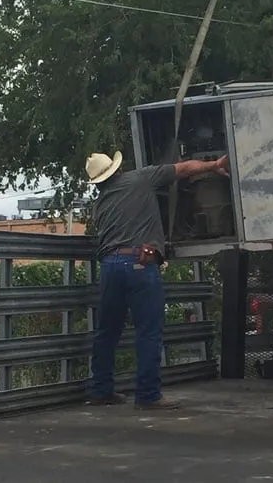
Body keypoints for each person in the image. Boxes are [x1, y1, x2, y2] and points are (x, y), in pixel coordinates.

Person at [85, 149, 229, 410]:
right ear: (117, 169)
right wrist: (213, 165)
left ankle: (101, 390)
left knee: (107, 332)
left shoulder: (100, 204)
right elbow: (183, 169)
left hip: (109, 266)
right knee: (148, 331)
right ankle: (148, 395)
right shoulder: (141, 178)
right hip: (139, 263)